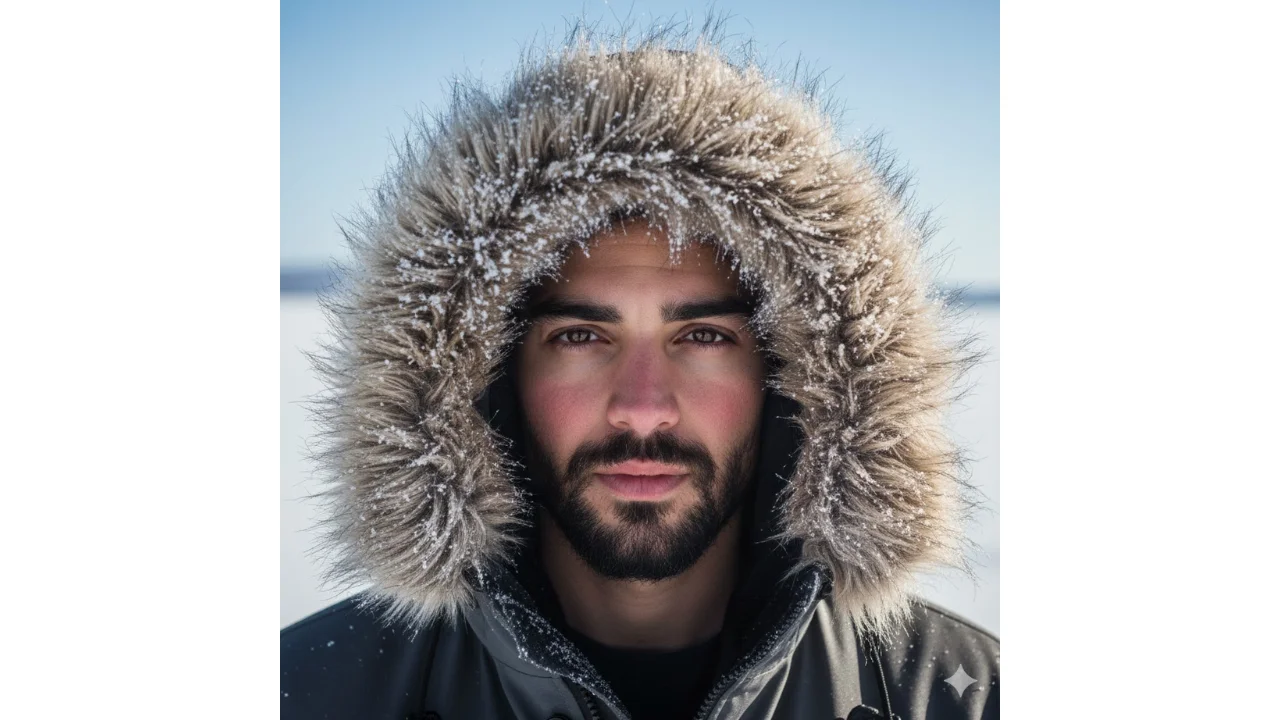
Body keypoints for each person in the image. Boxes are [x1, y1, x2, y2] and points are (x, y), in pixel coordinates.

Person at [282, 35, 998, 720]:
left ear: (795, 380)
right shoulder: (304, 695)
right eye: (581, 336)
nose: (644, 408)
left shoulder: (966, 698)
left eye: (705, 336)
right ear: (483, 382)